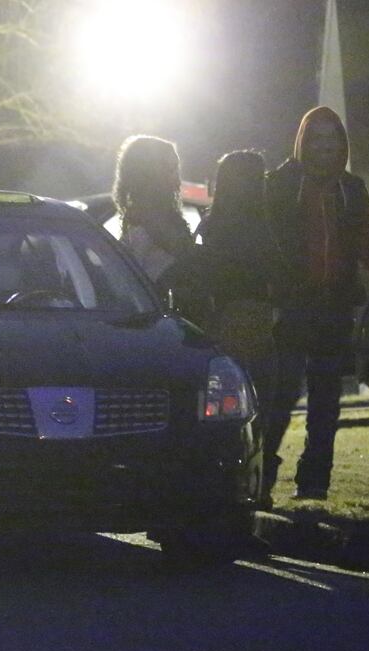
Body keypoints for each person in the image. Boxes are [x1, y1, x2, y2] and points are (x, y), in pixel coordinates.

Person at [262, 106, 369, 501]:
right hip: (291, 306)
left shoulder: (351, 188)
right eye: (317, 138)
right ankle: (262, 477)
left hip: (334, 306)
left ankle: (314, 483)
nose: (325, 146)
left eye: (331, 138)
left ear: (342, 143)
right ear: (304, 143)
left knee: (326, 401)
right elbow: (266, 244)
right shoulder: (281, 184)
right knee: (281, 394)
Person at [196, 149, 286, 490]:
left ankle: (225, 479)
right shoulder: (259, 226)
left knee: (228, 409)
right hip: (253, 316)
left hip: (223, 317)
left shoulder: (213, 225)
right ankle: (256, 482)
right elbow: (276, 272)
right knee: (262, 404)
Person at [113, 134, 204, 318]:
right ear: (151, 173)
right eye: (171, 169)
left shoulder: (153, 217)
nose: (178, 179)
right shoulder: (145, 223)